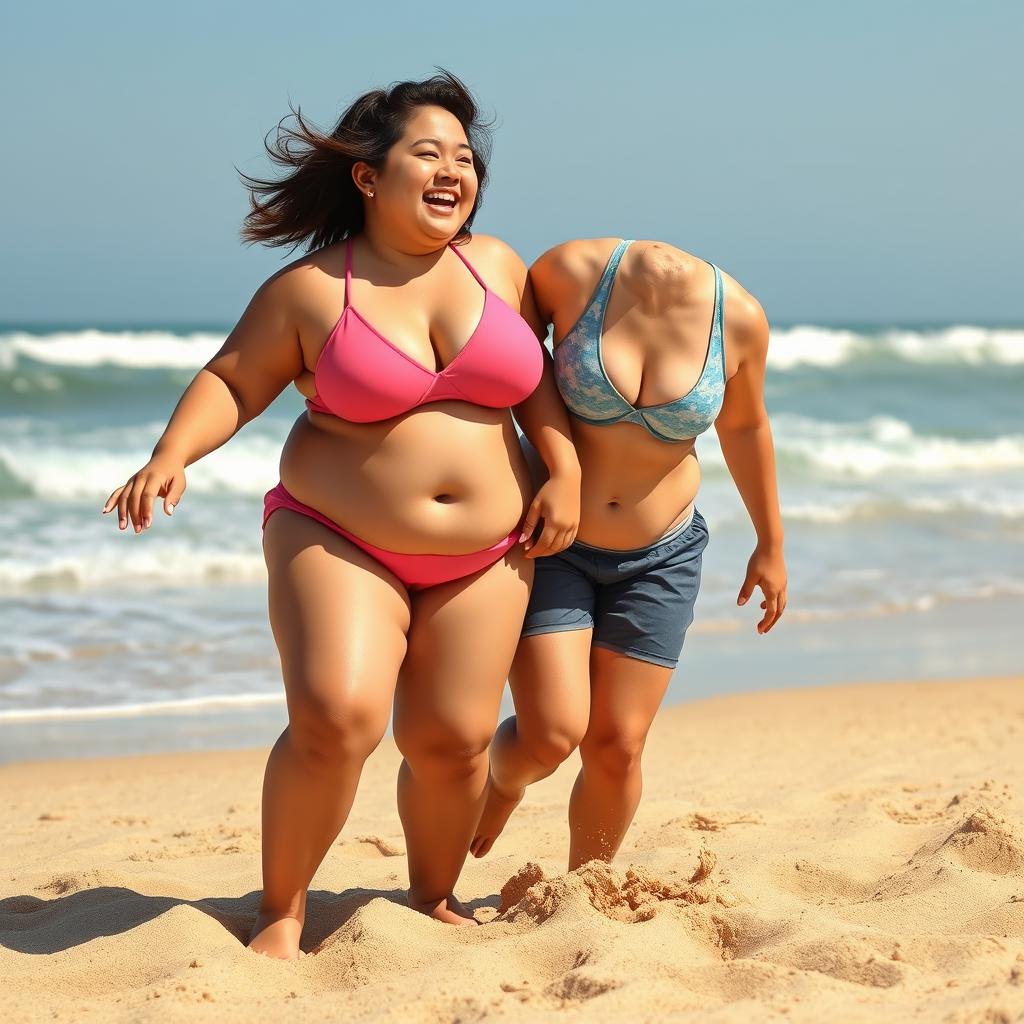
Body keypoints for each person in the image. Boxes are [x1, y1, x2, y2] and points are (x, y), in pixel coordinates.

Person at [101, 72, 580, 959]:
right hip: (339, 537)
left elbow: (540, 385)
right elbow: (233, 381)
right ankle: (281, 911)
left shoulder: (500, 265)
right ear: (368, 176)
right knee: (337, 714)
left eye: (466, 158)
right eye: (427, 153)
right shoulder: (313, 289)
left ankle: (432, 897)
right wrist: (171, 456)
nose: (453, 171)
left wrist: (565, 469)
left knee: (455, 738)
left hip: (488, 549)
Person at [471, 237, 787, 868]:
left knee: (617, 744)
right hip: (553, 541)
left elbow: (746, 427)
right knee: (550, 735)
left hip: (662, 553)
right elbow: (511, 375)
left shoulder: (741, 318)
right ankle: (502, 783)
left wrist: (771, 543)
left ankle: (585, 891)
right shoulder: (570, 273)